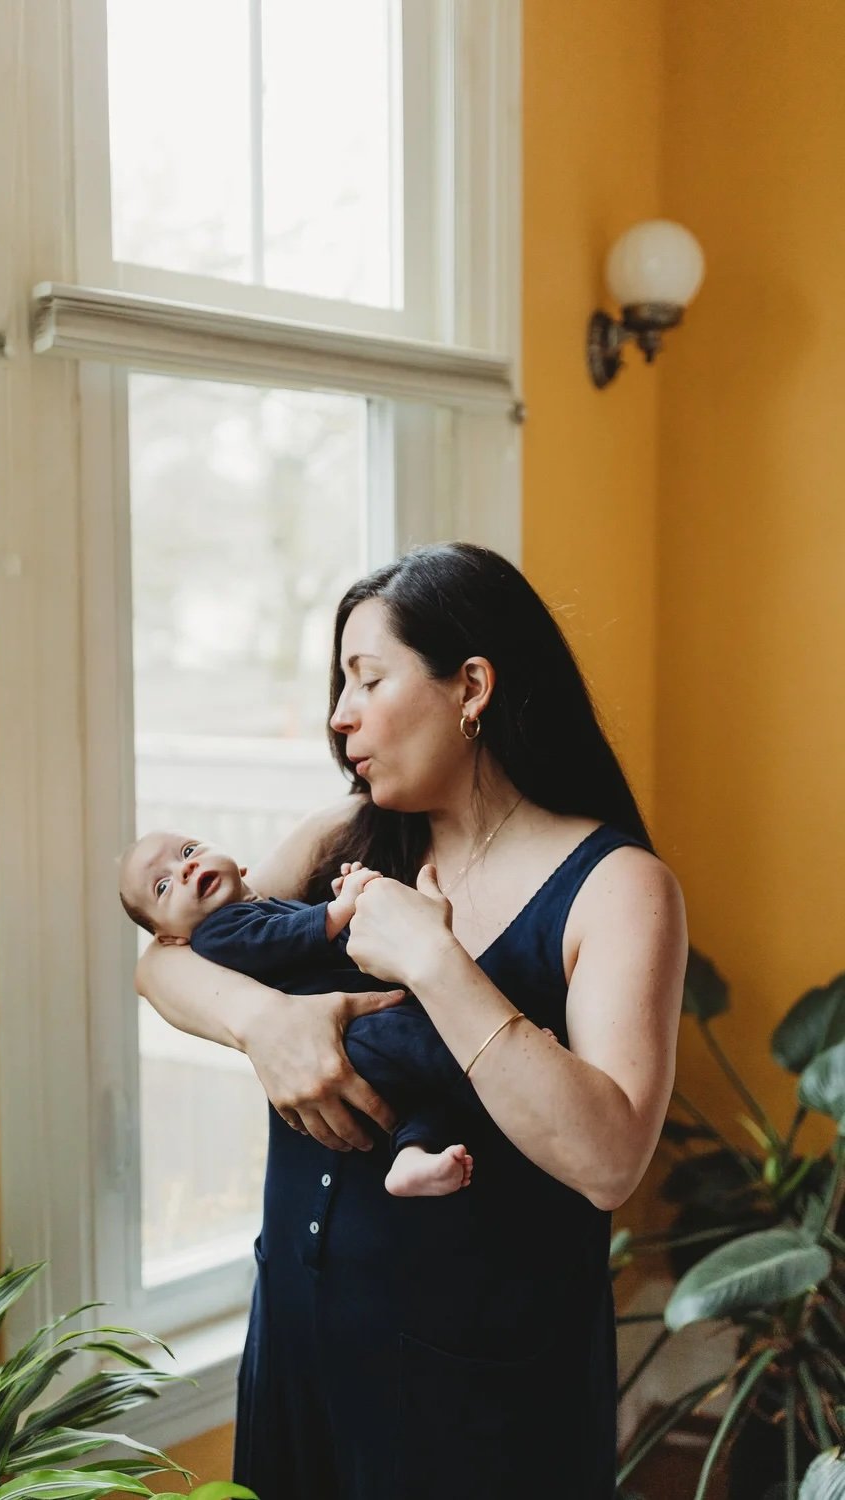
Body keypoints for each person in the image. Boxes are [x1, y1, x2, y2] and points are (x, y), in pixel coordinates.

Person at [135, 541, 688, 1500]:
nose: (339, 715)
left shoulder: (620, 889)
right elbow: (163, 961)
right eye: (338, 685)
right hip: (300, 1347)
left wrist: (434, 960)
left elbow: (609, 1159)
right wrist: (268, 1024)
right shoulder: (336, 838)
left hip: (480, 1396)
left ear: (471, 685)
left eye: (368, 678)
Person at [119, 832, 481, 1197]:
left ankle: (410, 1155)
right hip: (351, 1037)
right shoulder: (216, 933)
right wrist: (339, 909)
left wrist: (351, 907)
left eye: (188, 851)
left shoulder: (271, 906)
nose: (186, 868)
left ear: (240, 866)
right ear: (169, 938)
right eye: (163, 886)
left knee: (425, 1100)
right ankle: (487, 1057)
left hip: (362, 1034)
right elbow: (279, 938)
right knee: (427, 1045)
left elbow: (329, 946)